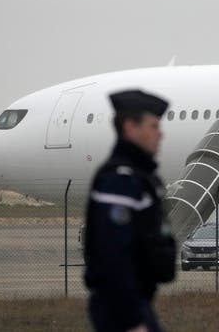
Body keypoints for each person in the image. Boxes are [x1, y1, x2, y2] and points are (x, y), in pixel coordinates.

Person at [84, 90, 176, 332]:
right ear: (130, 127)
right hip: (121, 306)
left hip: (135, 300)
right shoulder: (120, 180)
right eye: (153, 126)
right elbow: (113, 254)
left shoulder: (140, 176)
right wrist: (131, 319)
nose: (160, 134)